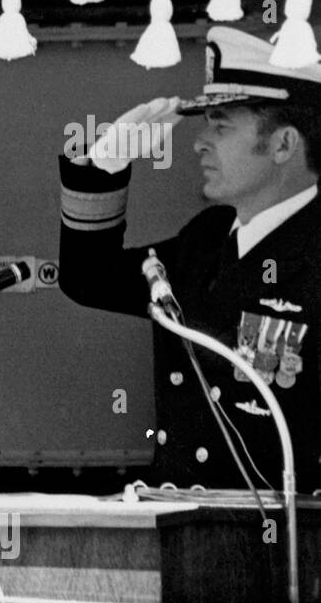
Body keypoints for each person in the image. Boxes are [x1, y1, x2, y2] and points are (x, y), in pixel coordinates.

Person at [58, 25, 321, 491]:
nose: (200, 142)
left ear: (283, 145)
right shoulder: (209, 236)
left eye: (220, 126)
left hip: (282, 538)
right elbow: (89, 278)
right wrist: (103, 169)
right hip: (184, 526)